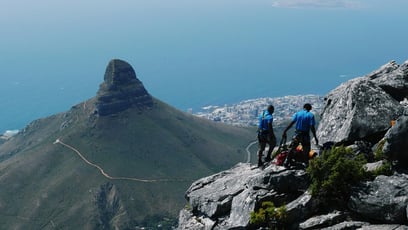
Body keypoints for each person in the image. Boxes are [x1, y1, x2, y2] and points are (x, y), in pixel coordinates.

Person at [282, 103, 318, 167]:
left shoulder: (298, 114)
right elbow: (312, 127)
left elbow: (292, 123)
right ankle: (306, 163)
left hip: (297, 134)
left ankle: (286, 162)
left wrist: (285, 130)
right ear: (310, 109)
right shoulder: (311, 115)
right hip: (305, 135)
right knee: (306, 149)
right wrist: (315, 137)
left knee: (292, 148)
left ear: (303, 107)